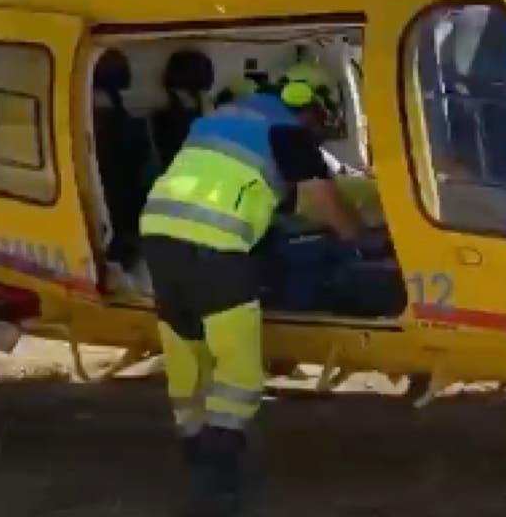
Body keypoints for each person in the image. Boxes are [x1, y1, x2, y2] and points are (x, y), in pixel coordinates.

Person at [138, 61, 370, 516]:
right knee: (238, 363)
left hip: (159, 237)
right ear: (312, 107)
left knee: (187, 347)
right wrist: (363, 241)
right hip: (217, 247)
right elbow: (327, 204)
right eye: (321, 118)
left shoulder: (219, 120)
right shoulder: (288, 133)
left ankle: (193, 442)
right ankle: (219, 474)